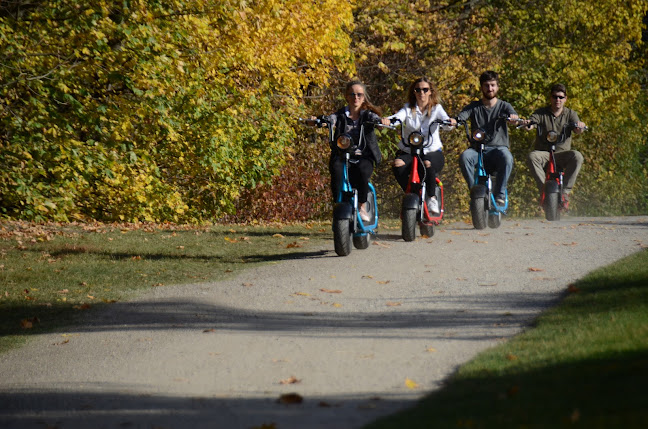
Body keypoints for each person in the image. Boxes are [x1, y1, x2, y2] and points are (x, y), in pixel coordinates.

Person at [383, 77, 455, 214]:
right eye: (418, 90)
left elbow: (446, 122)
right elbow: (397, 118)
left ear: (430, 92)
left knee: (428, 163)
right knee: (398, 164)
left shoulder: (436, 109)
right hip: (410, 151)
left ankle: (432, 197)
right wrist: (388, 121)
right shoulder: (408, 108)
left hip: (431, 151)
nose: (421, 93)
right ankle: (412, 193)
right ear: (414, 92)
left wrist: (450, 123)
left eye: (425, 89)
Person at [457, 70, 519, 206]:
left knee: (507, 157)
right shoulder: (474, 106)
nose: (490, 88)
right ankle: (474, 191)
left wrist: (514, 119)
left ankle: (500, 194)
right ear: (481, 87)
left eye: (492, 85)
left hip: (498, 149)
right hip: (477, 150)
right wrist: (454, 121)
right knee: (465, 157)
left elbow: (514, 116)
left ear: (497, 87)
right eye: (486, 85)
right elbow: (461, 116)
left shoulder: (504, 106)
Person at [326, 80, 383, 222]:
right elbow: (330, 119)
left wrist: (381, 121)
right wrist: (319, 121)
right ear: (346, 96)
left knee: (363, 171)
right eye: (352, 94)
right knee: (336, 170)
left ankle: (362, 205)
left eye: (359, 94)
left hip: (364, 155)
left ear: (363, 97)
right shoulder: (340, 115)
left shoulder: (368, 115)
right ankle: (339, 204)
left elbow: (377, 119)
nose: (355, 97)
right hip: (343, 156)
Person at [524, 83, 586, 209]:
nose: (558, 100)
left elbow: (578, 129)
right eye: (555, 97)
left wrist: (580, 126)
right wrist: (528, 124)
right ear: (550, 98)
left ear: (565, 99)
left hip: (561, 154)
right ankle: (545, 190)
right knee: (532, 156)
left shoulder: (570, 114)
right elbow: (531, 123)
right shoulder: (541, 113)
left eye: (561, 97)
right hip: (544, 154)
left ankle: (565, 193)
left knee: (577, 156)